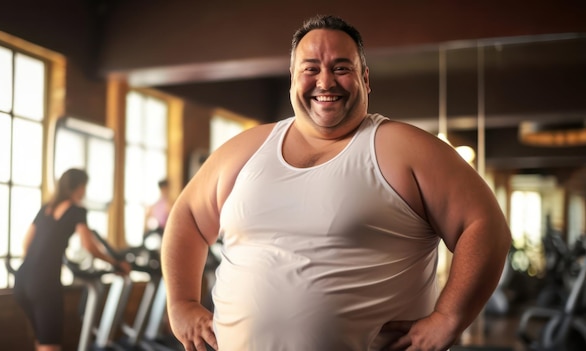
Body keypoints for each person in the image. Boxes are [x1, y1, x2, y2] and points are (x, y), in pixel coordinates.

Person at [160, 15, 512, 351]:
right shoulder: (246, 149)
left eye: (341, 68)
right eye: (310, 69)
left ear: (366, 79)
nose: (325, 82)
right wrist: (182, 304)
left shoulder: (405, 148)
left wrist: (449, 317)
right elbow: (187, 217)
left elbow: (486, 226)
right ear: (293, 78)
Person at [13, 168, 131, 351]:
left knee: (41, 340)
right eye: (85, 186)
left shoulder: (46, 208)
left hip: (21, 279)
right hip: (44, 283)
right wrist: (115, 264)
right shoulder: (77, 210)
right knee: (50, 344)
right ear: (79, 187)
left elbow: (25, 244)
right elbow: (89, 246)